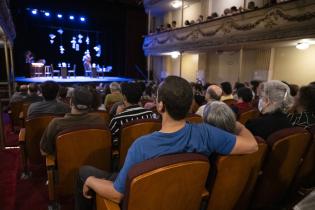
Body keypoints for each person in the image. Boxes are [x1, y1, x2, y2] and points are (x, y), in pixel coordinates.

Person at [75, 76, 258, 210]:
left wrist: (91, 181)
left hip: (143, 198)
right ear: (189, 106)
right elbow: (252, 145)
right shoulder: (206, 133)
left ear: (160, 106)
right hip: (180, 197)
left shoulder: (141, 146)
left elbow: (117, 194)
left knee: (85, 173)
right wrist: (235, 122)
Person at [40, 86, 104, 155]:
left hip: (64, 164)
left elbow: (44, 151)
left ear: (70, 103)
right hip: (93, 164)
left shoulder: (56, 124)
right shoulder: (99, 120)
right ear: (90, 105)